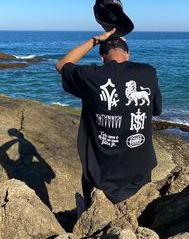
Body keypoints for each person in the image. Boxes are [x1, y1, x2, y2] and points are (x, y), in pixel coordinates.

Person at [56, 28, 162, 206]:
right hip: (140, 174)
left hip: (100, 177)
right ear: (127, 53)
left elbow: (62, 65)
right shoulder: (147, 72)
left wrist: (95, 40)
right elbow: (156, 110)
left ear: (101, 57)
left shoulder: (91, 75)